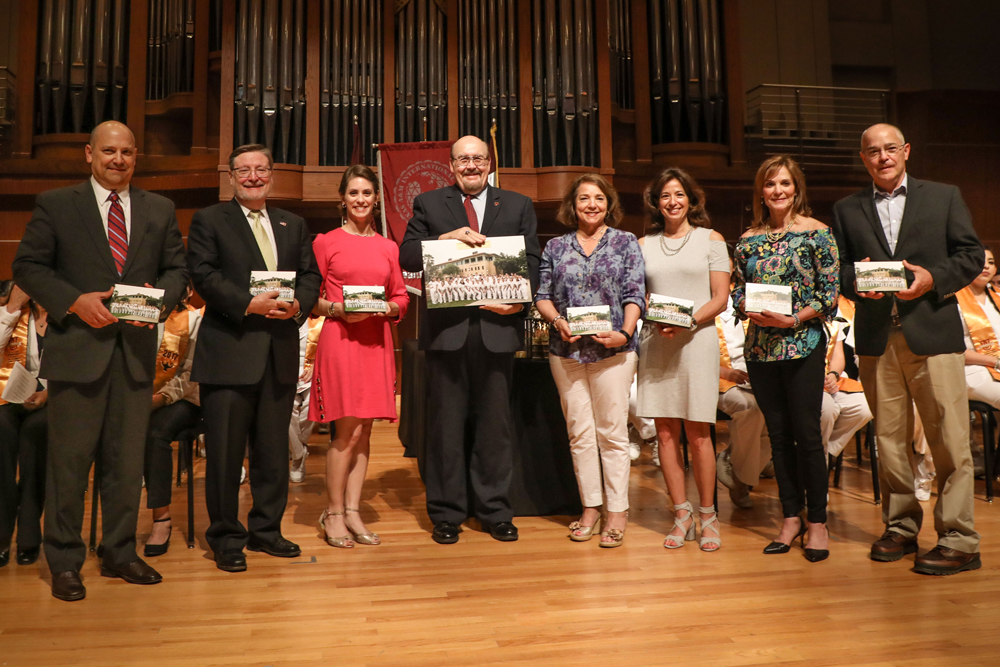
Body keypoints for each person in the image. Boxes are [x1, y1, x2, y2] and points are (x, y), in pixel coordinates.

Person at [12, 120, 189, 600]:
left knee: (125, 463)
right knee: (69, 464)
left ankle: (118, 552)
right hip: (77, 355)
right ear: (89, 154)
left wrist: (159, 300)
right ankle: (65, 561)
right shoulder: (57, 203)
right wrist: (72, 301)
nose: (119, 160)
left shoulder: (160, 208)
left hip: (133, 354)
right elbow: (27, 266)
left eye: (127, 152)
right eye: (109, 151)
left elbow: (178, 269)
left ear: (135, 157)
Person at [831, 123, 983, 575]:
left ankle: (960, 539)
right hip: (878, 339)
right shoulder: (847, 208)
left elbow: (971, 255)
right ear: (863, 158)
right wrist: (856, 282)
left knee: (950, 441)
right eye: (873, 151)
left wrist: (932, 279)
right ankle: (899, 527)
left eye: (890, 148)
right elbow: (837, 268)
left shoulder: (943, 196)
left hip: (932, 334)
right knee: (890, 441)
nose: (882, 157)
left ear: (906, 151)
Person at [399, 135, 541, 544]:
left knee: (494, 428)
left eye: (478, 158)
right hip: (446, 333)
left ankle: (495, 511)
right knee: (445, 428)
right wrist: (444, 240)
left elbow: (532, 263)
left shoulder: (517, 205)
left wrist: (518, 305)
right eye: (464, 159)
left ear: (489, 162)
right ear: (451, 164)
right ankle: (446, 513)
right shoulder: (429, 204)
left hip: (498, 331)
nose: (472, 165)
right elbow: (407, 256)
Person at [187, 144, 321, 572]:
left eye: (261, 169)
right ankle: (226, 537)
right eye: (243, 170)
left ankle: (266, 530)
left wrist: (298, 304)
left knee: (271, 453)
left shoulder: (293, 223)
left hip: (277, 352)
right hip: (230, 352)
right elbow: (203, 274)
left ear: (271, 175)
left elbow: (311, 275)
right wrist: (249, 304)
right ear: (230, 177)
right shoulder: (210, 219)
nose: (253, 176)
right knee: (225, 455)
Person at [732, 155, 839, 563]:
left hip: (803, 345)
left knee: (807, 437)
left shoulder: (818, 234)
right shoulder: (747, 240)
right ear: (761, 191)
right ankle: (790, 517)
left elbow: (827, 296)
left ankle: (817, 522)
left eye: (785, 184)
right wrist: (748, 308)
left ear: (797, 188)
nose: (778, 191)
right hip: (760, 348)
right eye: (770, 184)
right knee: (777, 437)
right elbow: (738, 290)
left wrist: (792, 317)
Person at [534, 174, 645, 547]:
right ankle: (591, 508)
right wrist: (557, 321)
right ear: (573, 205)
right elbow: (543, 295)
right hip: (566, 351)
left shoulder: (626, 242)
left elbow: (635, 292)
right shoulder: (555, 247)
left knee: (612, 434)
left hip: (614, 351)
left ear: (608, 203)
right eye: (584, 198)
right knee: (579, 434)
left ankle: (617, 512)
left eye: (598, 198)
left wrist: (625, 333)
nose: (592, 205)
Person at [310, 165, 408, 549]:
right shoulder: (326, 242)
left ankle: (352, 510)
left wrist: (388, 309)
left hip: (377, 341)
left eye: (367, 193)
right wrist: (337, 310)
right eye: (354, 193)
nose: (361, 200)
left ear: (377, 198)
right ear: (342, 198)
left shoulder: (388, 247)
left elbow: (400, 296)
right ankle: (332, 512)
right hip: (342, 340)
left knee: (365, 430)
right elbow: (310, 298)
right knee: (345, 432)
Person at [636, 168, 730, 551]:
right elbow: (637, 294)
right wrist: (656, 318)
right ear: (656, 203)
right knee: (664, 434)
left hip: (697, 341)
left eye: (678, 194)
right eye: (664, 196)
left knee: (698, 434)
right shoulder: (642, 243)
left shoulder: (711, 239)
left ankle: (708, 515)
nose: (672, 202)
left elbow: (720, 297)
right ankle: (681, 513)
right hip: (657, 341)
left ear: (691, 199)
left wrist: (687, 321)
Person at [141, 286, 203, 557]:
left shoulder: (194, 320)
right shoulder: (136, 314)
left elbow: (193, 373)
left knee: (155, 432)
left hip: (182, 399)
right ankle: (114, 524)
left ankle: (161, 519)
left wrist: (162, 398)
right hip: (134, 397)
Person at [0, 285, 48, 568]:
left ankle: (29, 534)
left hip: (51, 397)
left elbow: (77, 364)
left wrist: (47, 394)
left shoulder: (66, 316)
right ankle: (2, 534)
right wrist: (9, 310)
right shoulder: (16, 314)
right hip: (10, 394)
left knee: (36, 433)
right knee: (1, 431)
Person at [715, 296, 771, 510]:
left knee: (777, 412)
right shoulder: (701, 300)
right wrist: (726, 372)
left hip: (756, 374)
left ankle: (734, 462)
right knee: (751, 407)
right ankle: (742, 478)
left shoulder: (750, 295)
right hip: (716, 378)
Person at [954, 247, 999, 481]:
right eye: (980, 262)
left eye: (991, 262)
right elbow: (951, 350)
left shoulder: (997, 297)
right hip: (969, 370)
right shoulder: (953, 300)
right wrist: (995, 361)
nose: (986, 267)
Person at [820, 305, 873, 461]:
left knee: (864, 407)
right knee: (827, 410)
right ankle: (815, 457)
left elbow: (838, 355)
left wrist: (833, 374)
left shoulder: (834, 308)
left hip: (831, 378)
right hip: (810, 378)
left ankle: (825, 453)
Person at [289, 315, 323, 483]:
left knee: (312, 407)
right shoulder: (280, 317)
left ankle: (297, 451)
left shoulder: (322, 320)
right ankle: (298, 456)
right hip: (286, 373)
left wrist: (316, 365)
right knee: (287, 412)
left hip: (314, 374)